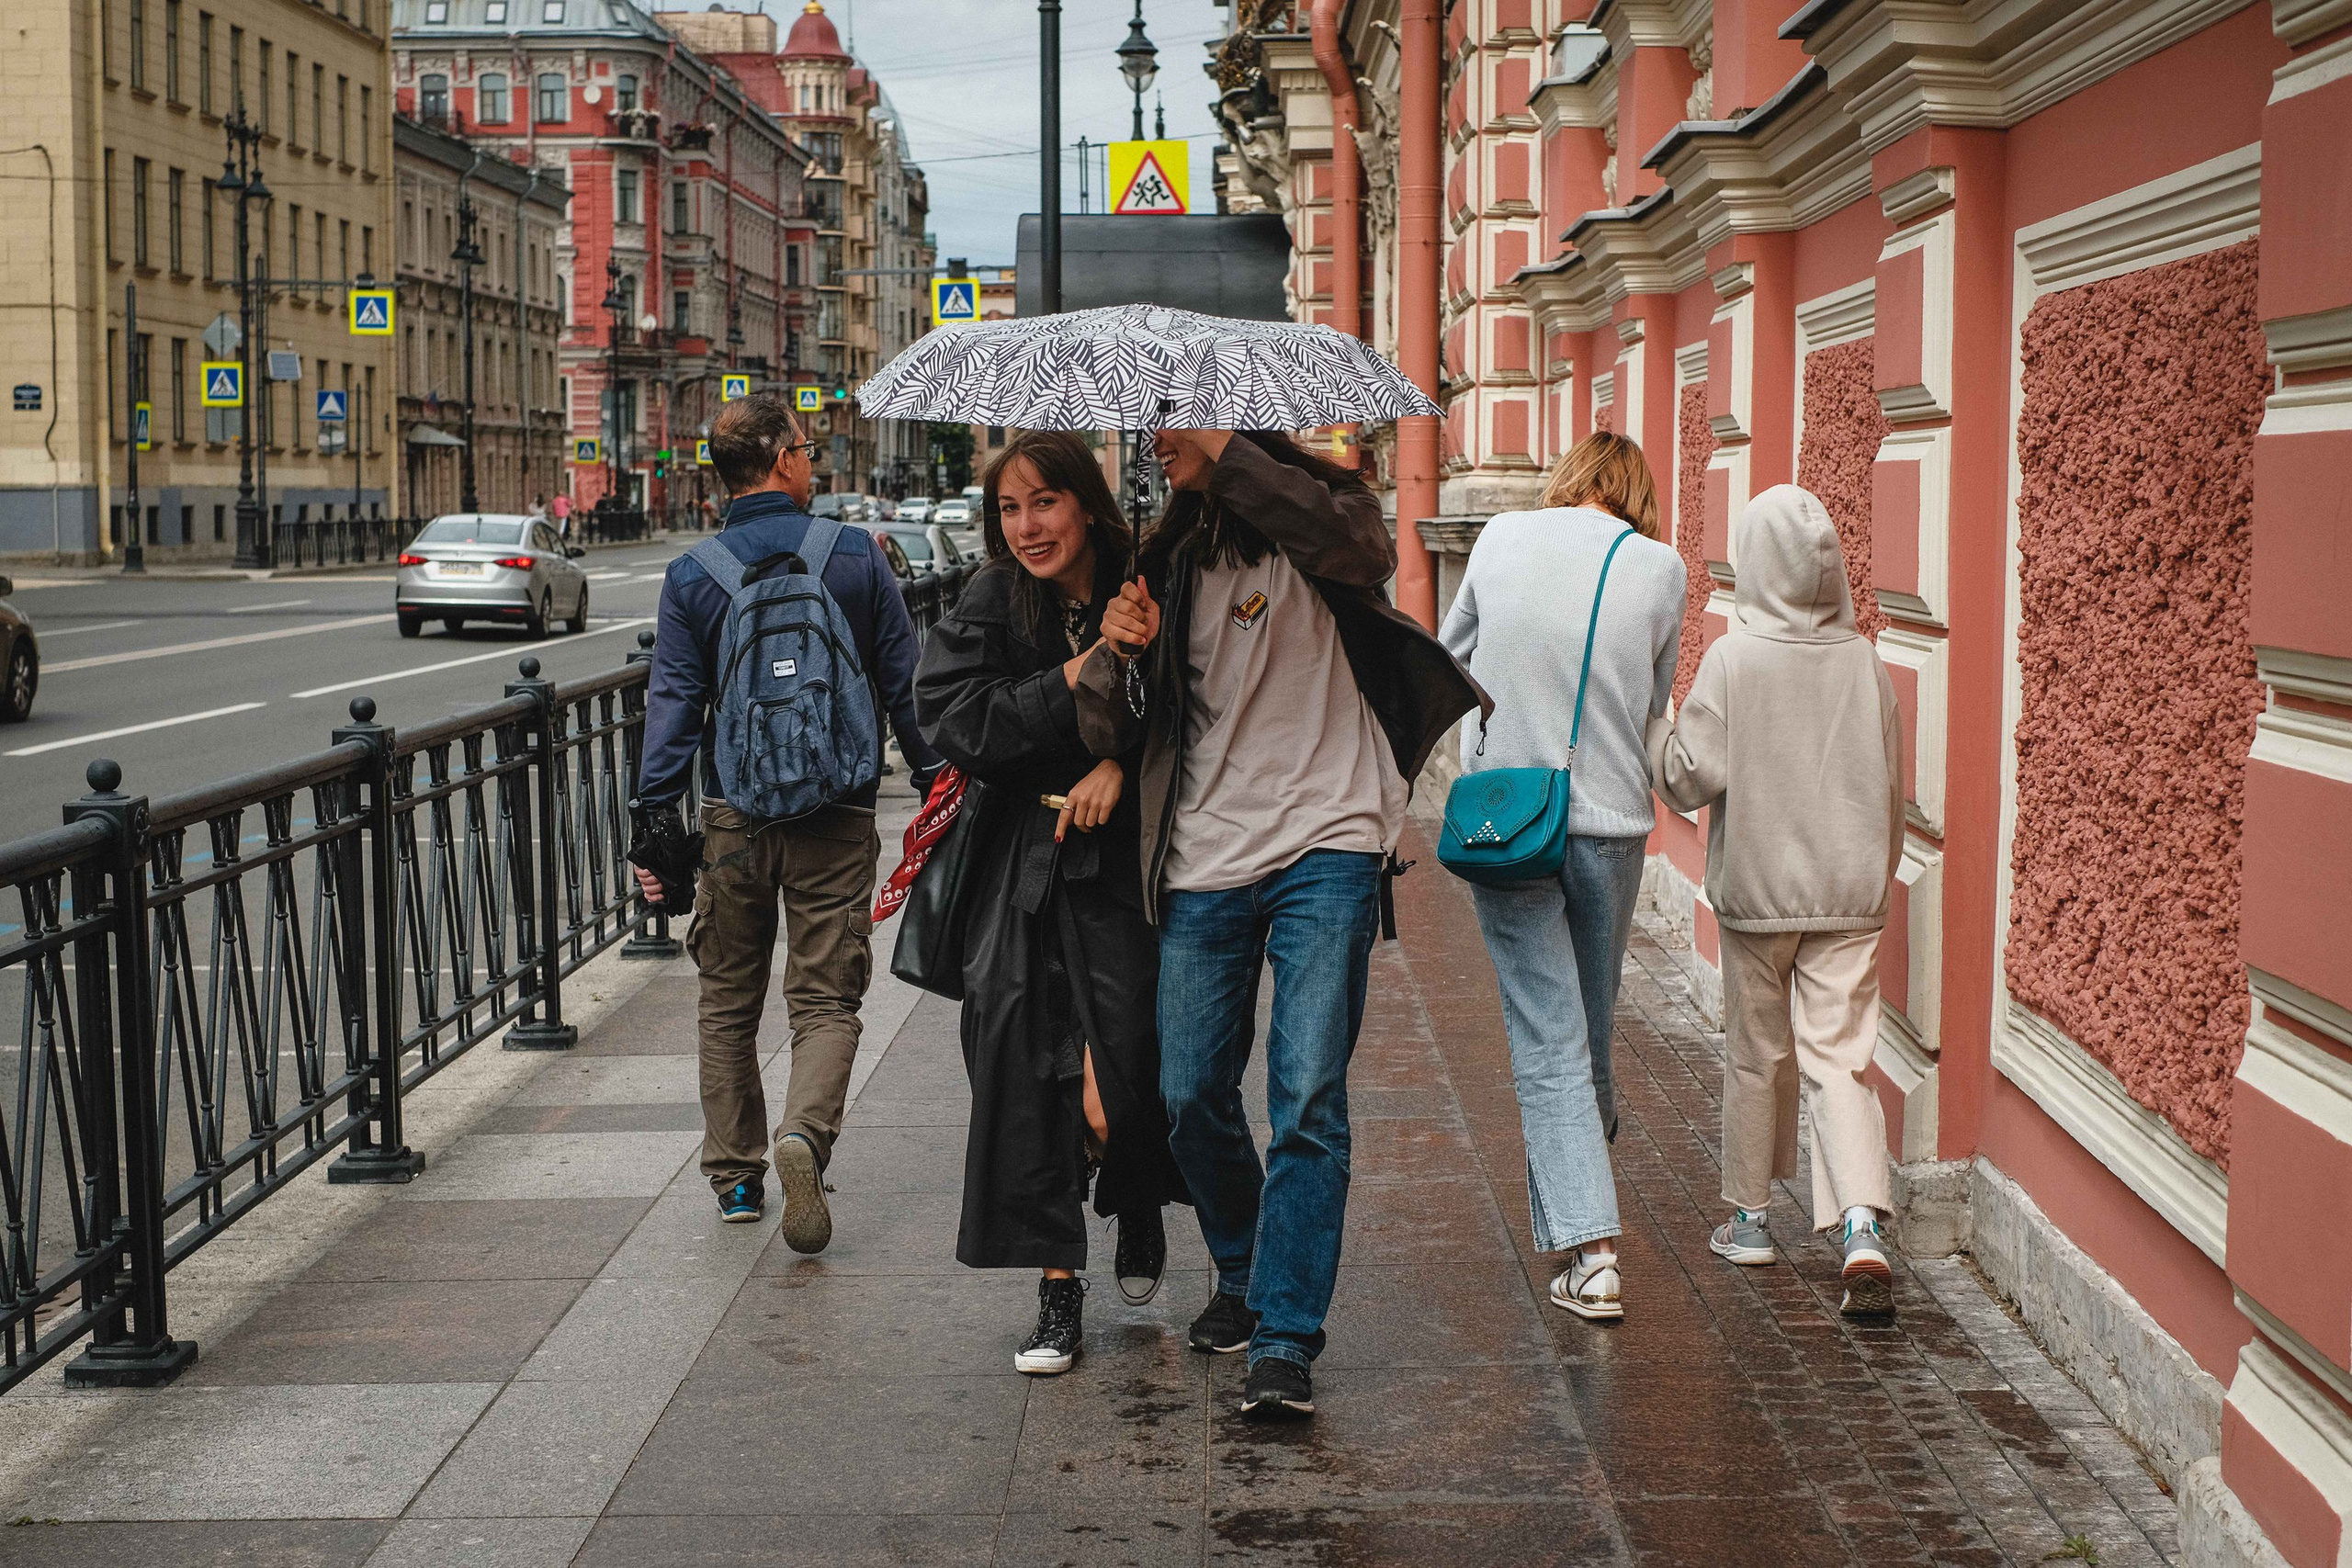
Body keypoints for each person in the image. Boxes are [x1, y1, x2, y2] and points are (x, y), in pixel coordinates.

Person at [1095, 429, 1485, 1422]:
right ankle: (1245, 1264)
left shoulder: (1331, 517)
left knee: (1308, 1094)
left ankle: (1284, 1337)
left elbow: (1360, 552)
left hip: (1331, 838)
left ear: (1229, 423)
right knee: (1189, 1093)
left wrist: (1227, 453)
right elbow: (1126, 723)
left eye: (1176, 419)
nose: (1156, 439)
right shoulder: (1167, 555)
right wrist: (1116, 648)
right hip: (1206, 851)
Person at [633, 390, 944, 1249]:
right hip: (836, 812)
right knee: (825, 998)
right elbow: (901, 680)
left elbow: (674, 702)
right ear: (778, 460)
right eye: (804, 448)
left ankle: (736, 1178)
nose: (813, 461)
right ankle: (805, 1134)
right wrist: (934, 780)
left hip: (733, 816)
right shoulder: (851, 553)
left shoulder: (694, 573)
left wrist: (652, 820)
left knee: (727, 998)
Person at [912, 431, 1190, 1376]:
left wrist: (1118, 759)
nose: (1026, 526)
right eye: (1009, 508)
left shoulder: (1145, 579)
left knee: (1126, 1068)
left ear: (1083, 502)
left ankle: (1138, 1199)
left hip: (1127, 868)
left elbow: (1193, 713)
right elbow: (954, 720)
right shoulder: (997, 598)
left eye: (1044, 503)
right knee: (1025, 1069)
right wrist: (1071, 677)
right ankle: (1057, 1289)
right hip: (1022, 865)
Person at [1436, 431, 1688, 1322]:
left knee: (1548, 1036)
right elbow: (1653, 704)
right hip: (1610, 824)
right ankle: (1582, 1232)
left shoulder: (1502, 536)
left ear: (1569, 479)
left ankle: (1593, 1250)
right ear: (1636, 495)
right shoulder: (1661, 568)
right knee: (1582, 1029)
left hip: (1507, 818)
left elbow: (1447, 655)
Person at [1650, 484, 1903, 1317]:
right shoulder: (1864, 660)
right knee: (1841, 1059)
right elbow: (1891, 782)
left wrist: (1661, 730)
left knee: (1757, 1050)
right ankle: (1862, 1225)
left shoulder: (1733, 656)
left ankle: (1752, 1219)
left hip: (1758, 896)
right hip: (1849, 893)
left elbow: (1689, 775)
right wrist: (1879, 872)